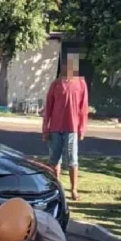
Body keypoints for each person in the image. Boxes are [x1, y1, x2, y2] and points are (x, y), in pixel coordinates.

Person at [42, 52, 88, 201]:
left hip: (72, 128)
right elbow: (48, 109)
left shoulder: (81, 83)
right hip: (55, 129)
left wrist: (82, 129)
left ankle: (74, 190)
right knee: (54, 161)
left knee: (72, 160)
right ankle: (57, 189)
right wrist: (45, 129)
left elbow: (83, 108)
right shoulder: (56, 84)